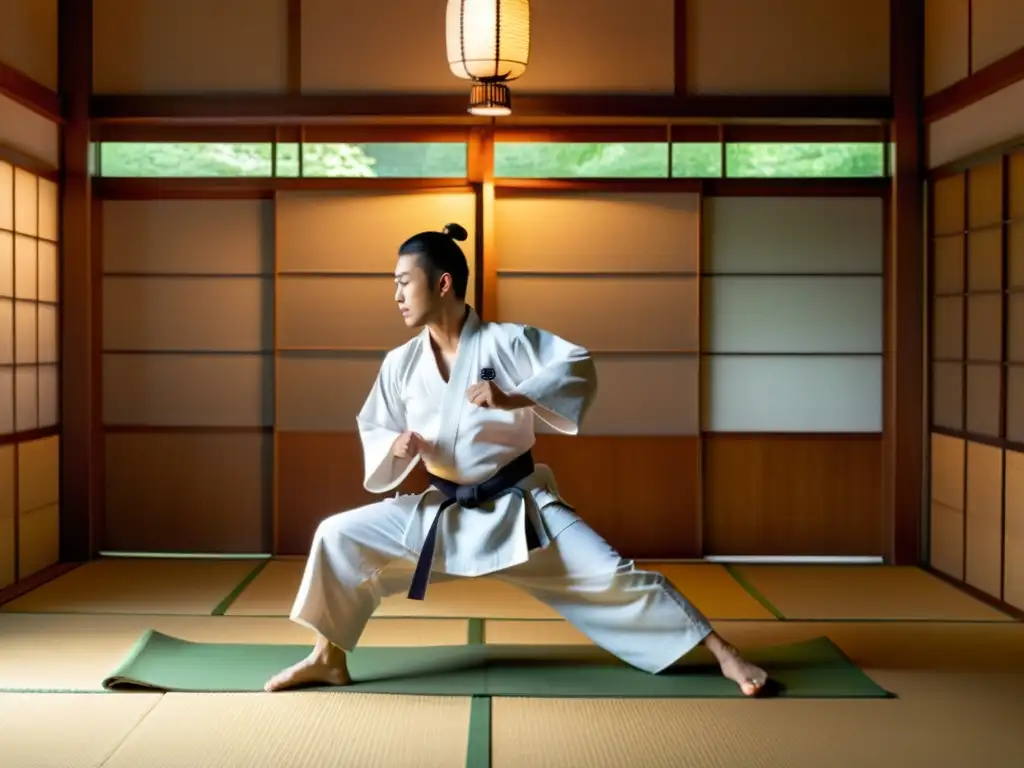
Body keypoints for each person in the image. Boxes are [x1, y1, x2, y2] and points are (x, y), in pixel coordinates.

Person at [265, 222, 767, 696]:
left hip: (520, 510)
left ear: (442, 284)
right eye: (393, 285)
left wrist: (515, 397)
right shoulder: (401, 362)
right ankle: (328, 656)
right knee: (337, 534)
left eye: (403, 283)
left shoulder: (507, 342)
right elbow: (377, 423)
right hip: (443, 513)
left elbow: (576, 365)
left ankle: (722, 650)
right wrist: (397, 446)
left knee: (612, 574)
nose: (395, 295)